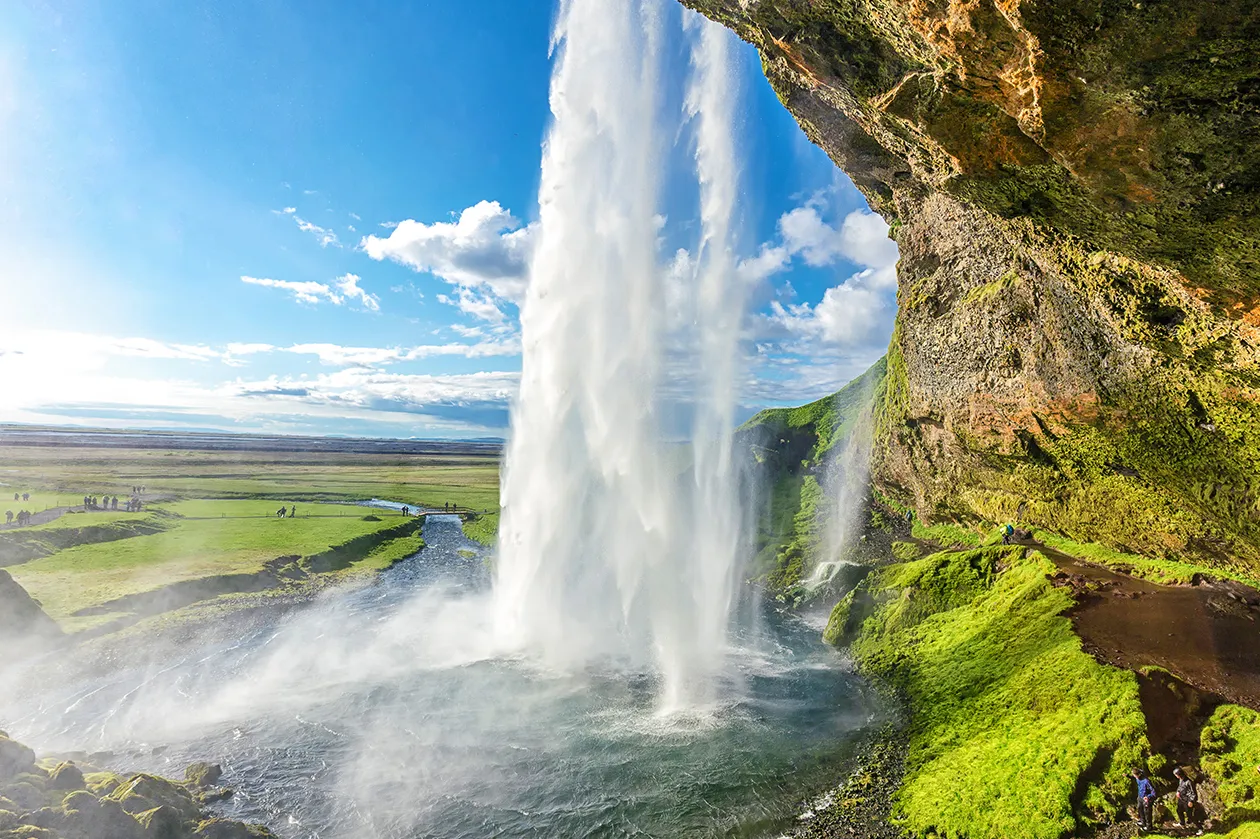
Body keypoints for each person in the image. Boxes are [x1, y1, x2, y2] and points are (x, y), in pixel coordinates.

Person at [1174, 768, 1203, 834]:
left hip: (1188, 800)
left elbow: (1194, 793)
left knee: (1190, 816)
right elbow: (1180, 787)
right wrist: (1178, 792)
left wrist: (1191, 801)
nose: (1176, 776)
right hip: (1181, 799)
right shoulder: (1180, 780)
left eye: (1176, 775)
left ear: (1179, 774)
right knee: (1178, 810)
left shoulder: (1189, 782)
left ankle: (1200, 828)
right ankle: (1182, 823)